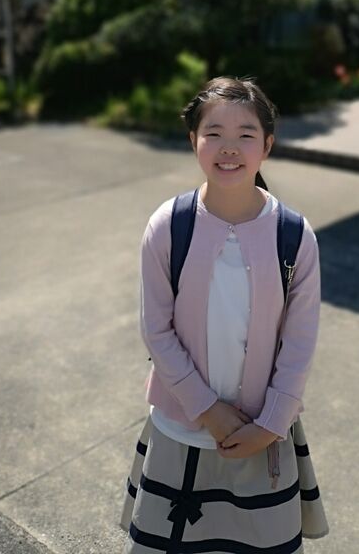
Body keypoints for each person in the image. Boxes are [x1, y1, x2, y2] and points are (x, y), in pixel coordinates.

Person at [120, 76, 329, 552]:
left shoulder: (294, 235)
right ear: (192, 140)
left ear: (267, 145)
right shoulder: (169, 226)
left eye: (245, 134)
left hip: (262, 433)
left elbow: (300, 342)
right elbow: (156, 331)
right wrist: (207, 409)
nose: (229, 147)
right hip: (180, 429)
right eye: (213, 133)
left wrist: (272, 422)